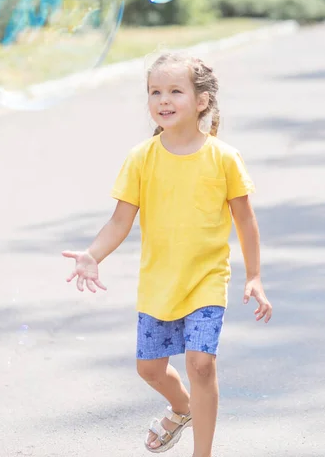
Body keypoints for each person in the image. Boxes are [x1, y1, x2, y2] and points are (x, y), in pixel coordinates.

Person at [63, 51, 272, 457]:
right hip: (159, 281)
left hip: (207, 279)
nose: (164, 99)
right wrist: (93, 255)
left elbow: (246, 221)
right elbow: (120, 221)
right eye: (155, 91)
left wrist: (254, 275)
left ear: (202, 101)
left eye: (175, 90)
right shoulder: (141, 158)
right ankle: (181, 408)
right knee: (150, 369)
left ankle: (202, 452)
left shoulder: (224, 158)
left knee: (201, 364)